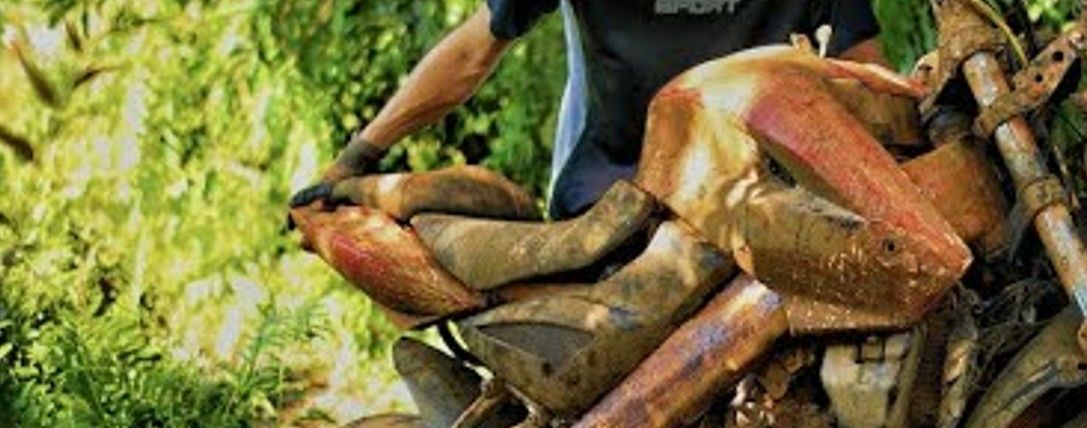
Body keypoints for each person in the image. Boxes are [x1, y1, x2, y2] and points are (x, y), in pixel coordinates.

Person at [290, 1, 884, 221]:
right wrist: (360, 154)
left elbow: (867, 79)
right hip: (611, 206)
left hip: (754, 206)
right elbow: (472, 52)